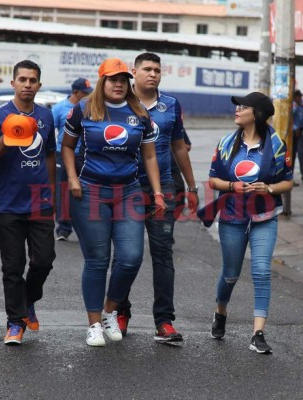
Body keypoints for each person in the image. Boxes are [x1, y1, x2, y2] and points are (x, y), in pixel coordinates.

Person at [62, 57, 166, 347]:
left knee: (131, 257)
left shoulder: (140, 113)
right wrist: (72, 179)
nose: (118, 83)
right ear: (102, 81)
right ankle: (93, 324)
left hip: (128, 192)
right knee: (97, 260)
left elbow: (149, 156)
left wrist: (157, 193)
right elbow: (67, 147)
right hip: (90, 191)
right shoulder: (83, 109)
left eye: (122, 79)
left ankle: (109, 311)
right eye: (112, 79)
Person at [114, 52, 198, 343]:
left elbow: (179, 147)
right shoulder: (118, 101)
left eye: (157, 70)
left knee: (163, 253)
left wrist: (192, 187)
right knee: (126, 255)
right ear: (133, 73)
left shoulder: (171, 105)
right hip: (124, 188)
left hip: (163, 188)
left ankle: (164, 321)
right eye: (147, 69)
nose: (153, 74)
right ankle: (119, 313)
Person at [206, 92, 293, 354]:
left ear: (256, 114)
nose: (237, 110)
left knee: (262, 272)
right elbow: (213, 180)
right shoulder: (226, 143)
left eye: (243, 107)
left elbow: (288, 182)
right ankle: (220, 311)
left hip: (265, 217)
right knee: (231, 274)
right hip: (232, 216)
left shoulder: (277, 145)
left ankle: (258, 333)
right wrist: (233, 185)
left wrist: (268, 188)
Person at [0, 60, 56, 345]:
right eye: (22, 79)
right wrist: (9, 134)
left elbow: (50, 154)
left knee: (44, 261)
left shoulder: (46, 118)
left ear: (39, 85)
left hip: (40, 201)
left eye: (33, 80)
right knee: (12, 267)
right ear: (13, 83)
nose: (27, 84)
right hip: (9, 203)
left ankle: (27, 300)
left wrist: (51, 190)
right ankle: (15, 323)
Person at [52, 77, 93, 241]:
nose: (87, 96)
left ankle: (87, 227)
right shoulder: (59, 108)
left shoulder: (89, 108)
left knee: (86, 191)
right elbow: (49, 131)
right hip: (62, 154)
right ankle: (63, 229)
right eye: (85, 93)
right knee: (63, 191)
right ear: (75, 92)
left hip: (84, 155)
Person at [292, 89, 303, 184]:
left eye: (300, 97)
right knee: (291, 155)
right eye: (297, 97)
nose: (299, 98)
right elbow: (289, 119)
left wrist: (300, 130)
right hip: (292, 133)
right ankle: (290, 177)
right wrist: (294, 128)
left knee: (302, 154)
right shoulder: (291, 107)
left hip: (299, 133)